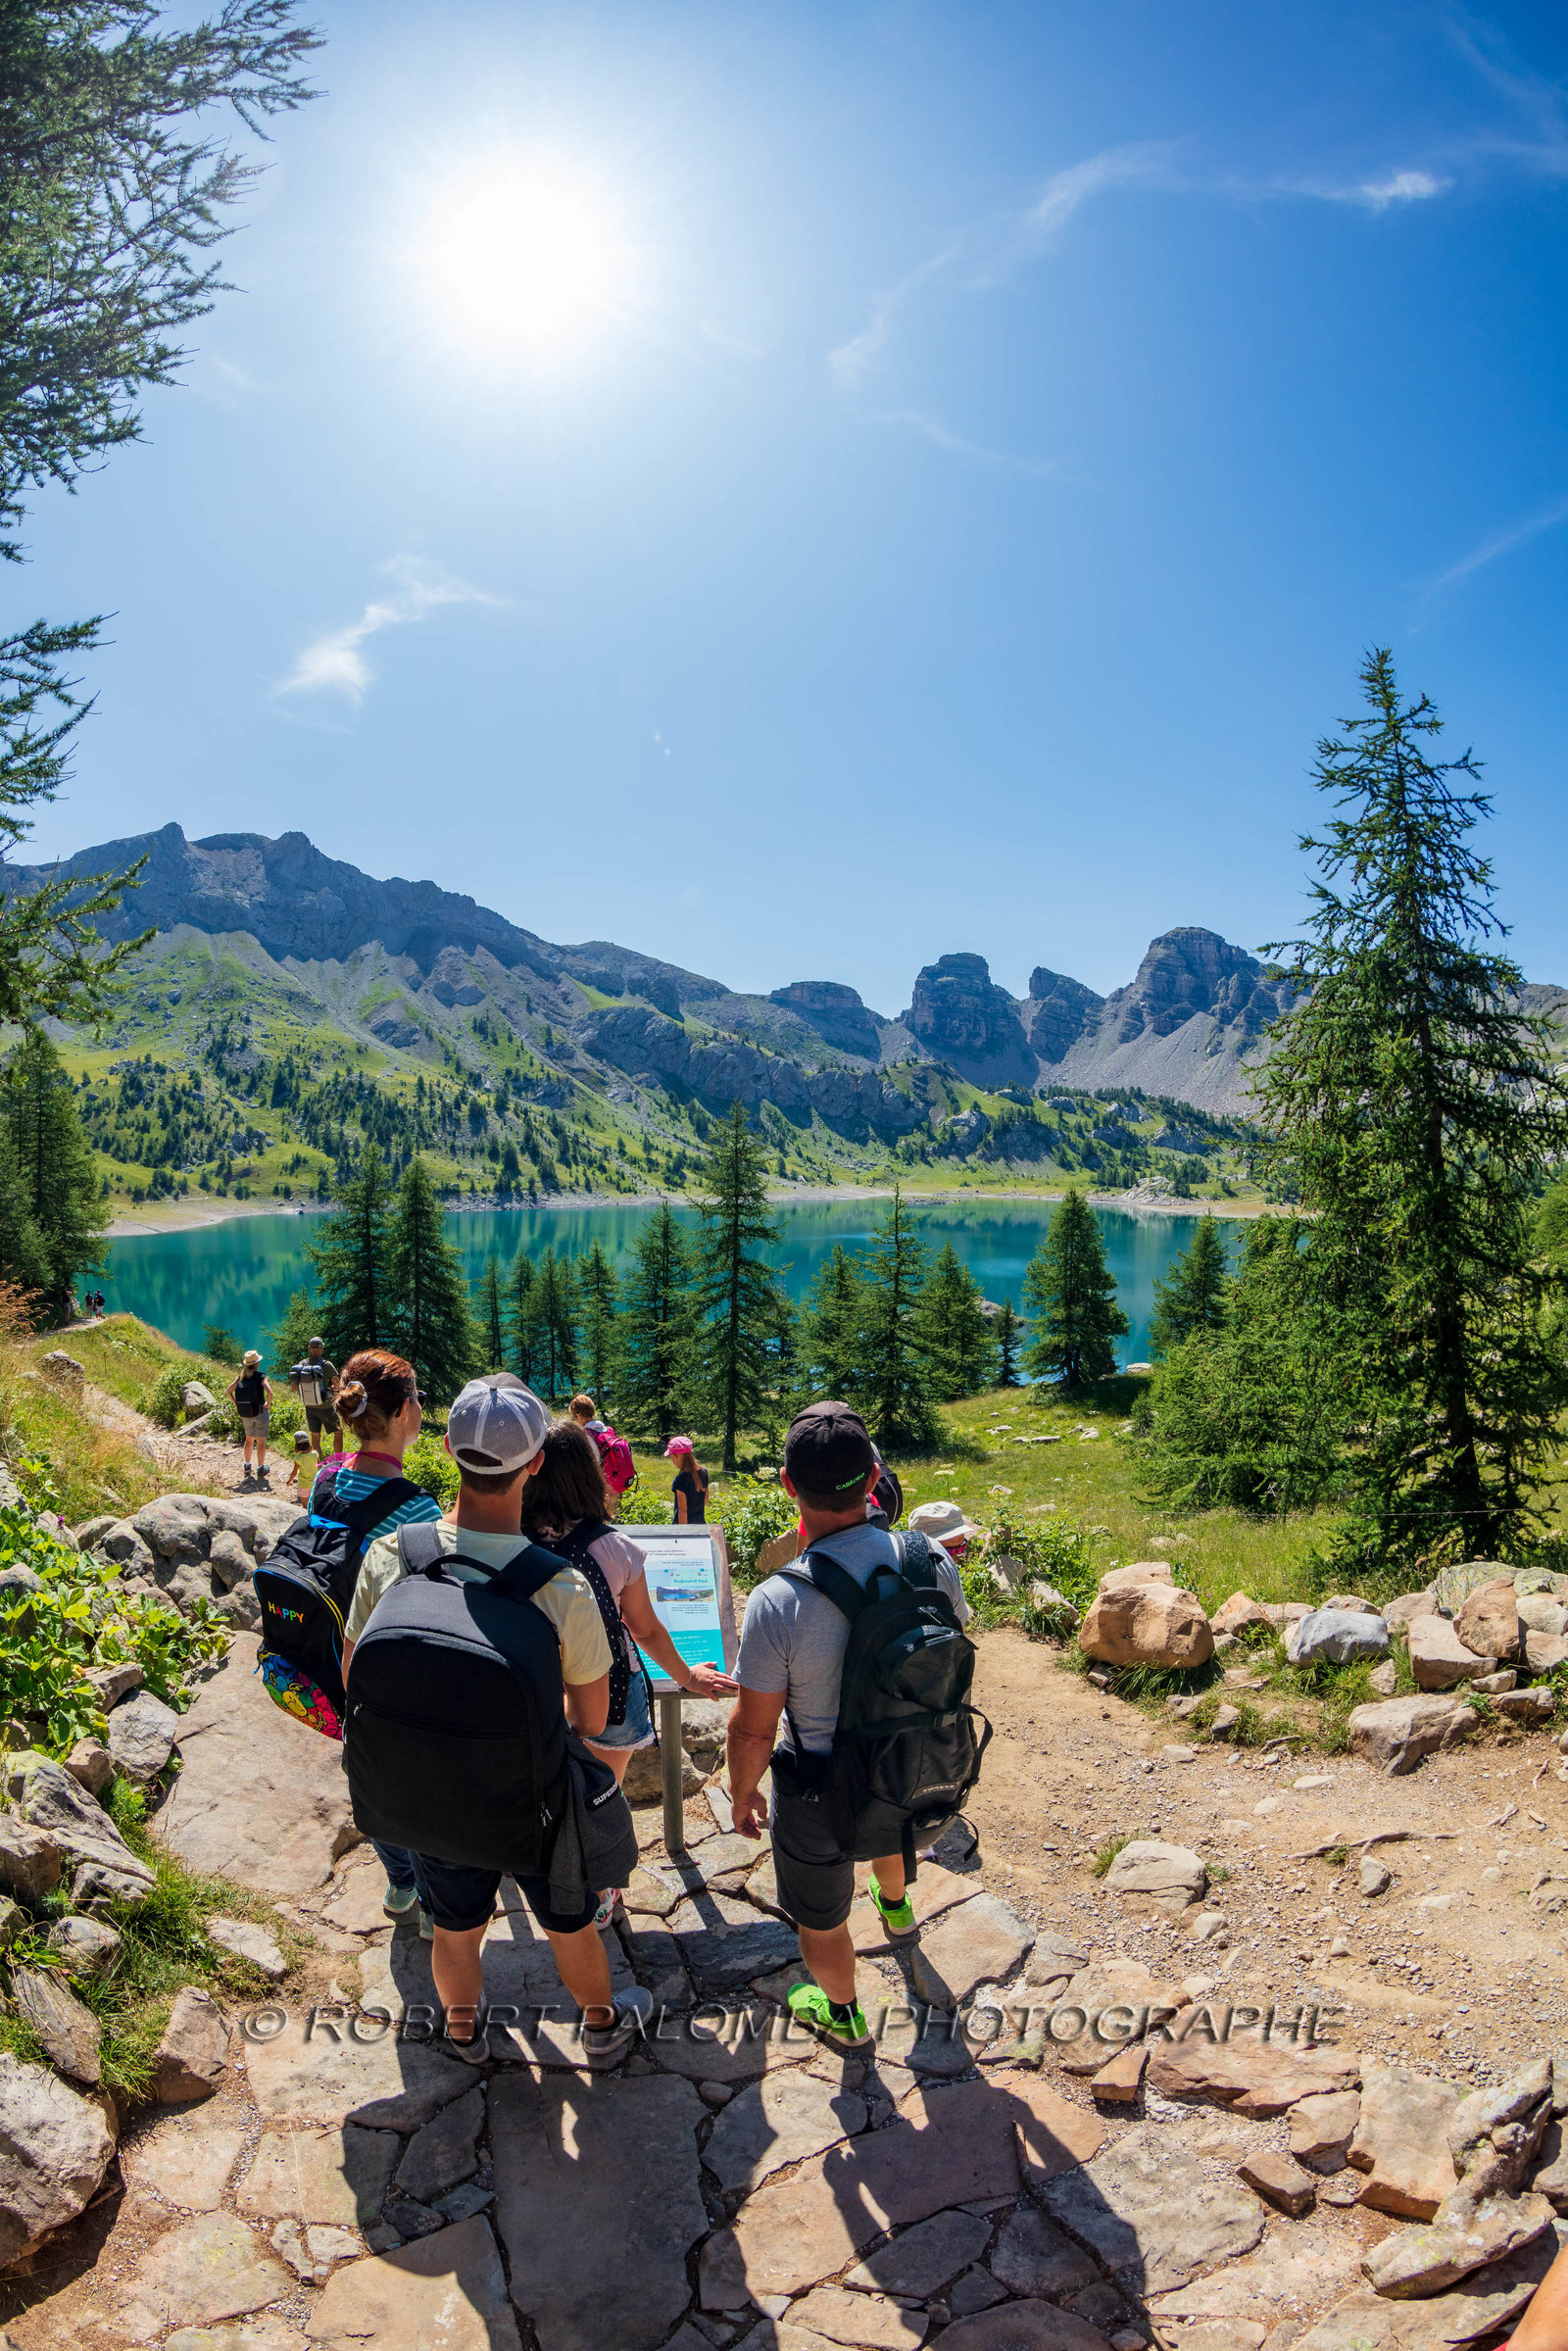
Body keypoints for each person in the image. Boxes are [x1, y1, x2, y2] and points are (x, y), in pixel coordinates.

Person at [343, 1374, 651, 2063]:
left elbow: (354, 1675)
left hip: (431, 1794)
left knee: (455, 1927)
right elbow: (591, 1718)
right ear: (535, 1462)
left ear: (448, 1450)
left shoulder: (393, 1556)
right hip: (533, 1801)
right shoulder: (560, 1585)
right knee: (570, 1923)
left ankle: (465, 2034)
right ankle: (601, 2026)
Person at [727, 1400, 971, 2054]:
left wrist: (743, 1790)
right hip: (918, 1768)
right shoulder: (930, 1558)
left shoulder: (779, 1599)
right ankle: (895, 1903)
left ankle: (844, 2014)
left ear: (788, 1484)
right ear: (874, 1478)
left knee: (821, 1917)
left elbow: (753, 1730)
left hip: (822, 1795)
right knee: (889, 1820)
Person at [519, 1417, 737, 1924]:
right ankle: (598, 1895)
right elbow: (646, 1630)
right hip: (609, 1693)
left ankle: (535, 1862)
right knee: (599, 1798)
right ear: (590, 1475)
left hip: (534, 1689)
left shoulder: (513, 1539)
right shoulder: (615, 1548)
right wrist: (688, 1677)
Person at [309, 1349, 446, 1917]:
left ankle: (400, 1882)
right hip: (395, 1673)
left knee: (368, 1780)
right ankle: (435, 1903)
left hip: (337, 1659)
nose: (420, 1408)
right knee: (424, 1790)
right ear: (403, 1412)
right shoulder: (416, 1509)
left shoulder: (325, 1479)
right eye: (417, 1398)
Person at [289, 1337, 340, 1461]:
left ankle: (318, 1464)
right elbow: (337, 1385)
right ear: (322, 1348)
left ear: (309, 1349)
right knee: (338, 1432)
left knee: (315, 1436)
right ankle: (338, 1461)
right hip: (326, 1406)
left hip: (309, 1406)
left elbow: (294, 1387)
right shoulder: (326, 1365)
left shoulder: (302, 1365)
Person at [229, 1350, 274, 1488]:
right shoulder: (260, 1376)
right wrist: (268, 1404)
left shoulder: (241, 1377)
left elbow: (228, 1391)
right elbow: (269, 1391)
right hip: (260, 1412)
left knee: (249, 1439)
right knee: (261, 1441)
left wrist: (237, 1404)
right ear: (256, 1363)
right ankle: (260, 1468)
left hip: (246, 1413)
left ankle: (247, 1466)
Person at [665, 1436, 709, 1524]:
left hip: (684, 1527)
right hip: (699, 1523)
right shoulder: (704, 1472)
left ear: (676, 1456)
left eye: (671, 1458)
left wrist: (684, 1531)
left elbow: (683, 1510)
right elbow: (706, 1497)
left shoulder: (680, 1480)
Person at [283, 1428, 315, 1494]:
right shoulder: (315, 1454)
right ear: (308, 1443)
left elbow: (294, 1473)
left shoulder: (298, 1458)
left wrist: (289, 1481)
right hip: (314, 1484)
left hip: (303, 1485)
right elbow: (320, 1468)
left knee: (304, 1500)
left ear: (297, 1445)